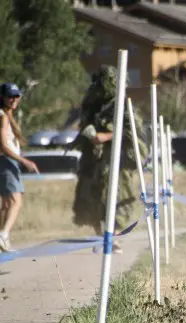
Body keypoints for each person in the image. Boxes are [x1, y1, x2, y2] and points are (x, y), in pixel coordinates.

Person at [69, 65, 147, 254]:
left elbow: (133, 131)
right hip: (94, 159)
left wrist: (105, 136)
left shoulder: (122, 106)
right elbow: (84, 124)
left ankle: (114, 238)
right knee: (91, 196)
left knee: (117, 196)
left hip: (117, 160)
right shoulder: (93, 104)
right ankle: (99, 238)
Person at [0, 83, 39, 251]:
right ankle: (3, 235)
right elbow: (3, 146)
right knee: (16, 200)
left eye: (16, 96)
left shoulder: (6, 115)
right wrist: (24, 161)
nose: (14, 99)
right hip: (6, 162)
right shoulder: (2, 116)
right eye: (10, 96)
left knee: (7, 203)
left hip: (6, 161)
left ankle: (3, 239)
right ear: (2, 97)